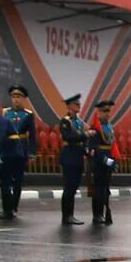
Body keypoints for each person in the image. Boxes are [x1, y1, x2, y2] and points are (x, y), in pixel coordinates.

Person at [0, 85, 34, 220]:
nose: (16, 100)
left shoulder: (28, 114)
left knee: (17, 180)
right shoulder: (5, 112)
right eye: (14, 97)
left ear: (23, 99)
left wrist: (32, 153)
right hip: (7, 147)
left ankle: (14, 207)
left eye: (19, 97)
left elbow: (33, 135)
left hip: (21, 148)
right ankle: (7, 207)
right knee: (5, 179)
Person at [58, 94, 88, 226]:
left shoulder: (80, 122)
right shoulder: (65, 121)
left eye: (79, 104)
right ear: (70, 106)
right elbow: (67, 137)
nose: (79, 106)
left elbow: (83, 138)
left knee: (74, 187)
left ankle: (71, 214)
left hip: (78, 156)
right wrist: (84, 135)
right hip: (69, 155)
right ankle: (66, 215)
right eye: (76, 104)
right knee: (68, 187)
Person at [88, 99, 118, 225]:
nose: (107, 114)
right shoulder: (95, 128)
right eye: (104, 111)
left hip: (108, 159)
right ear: (99, 113)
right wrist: (109, 162)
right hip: (99, 162)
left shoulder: (109, 127)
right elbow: (95, 150)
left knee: (106, 189)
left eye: (108, 111)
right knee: (98, 190)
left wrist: (114, 162)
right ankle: (97, 214)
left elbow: (112, 146)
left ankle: (104, 213)